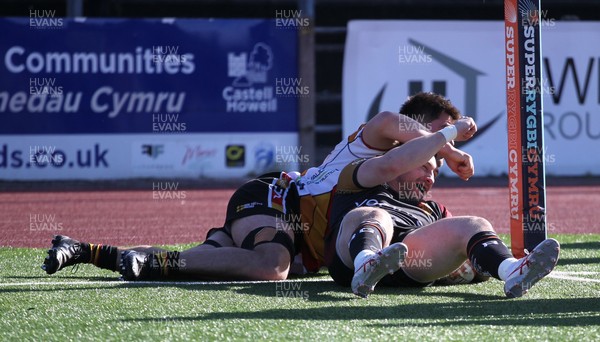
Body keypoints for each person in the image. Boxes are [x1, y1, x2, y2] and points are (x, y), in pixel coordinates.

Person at [42, 92, 477, 282]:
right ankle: (139, 261)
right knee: (271, 267)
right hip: (277, 199)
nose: (437, 150)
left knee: (204, 264)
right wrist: (450, 141)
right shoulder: (383, 137)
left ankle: (87, 251)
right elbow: (388, 126)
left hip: (299, 232)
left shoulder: (411, 182)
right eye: (433, 134)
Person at [324, 118, 560, 298]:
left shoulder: (432, 209)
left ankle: (512, 271)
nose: (431, 178)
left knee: (473, 224)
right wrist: (452, 132)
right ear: (405, 159)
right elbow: (390, 165)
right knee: (376, 215)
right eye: (425, 168)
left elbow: (466, 259)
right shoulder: (359, 177)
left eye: (435, 173)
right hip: (347, 261)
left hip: (407, 263)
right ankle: (367, 261)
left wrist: (467, 271)